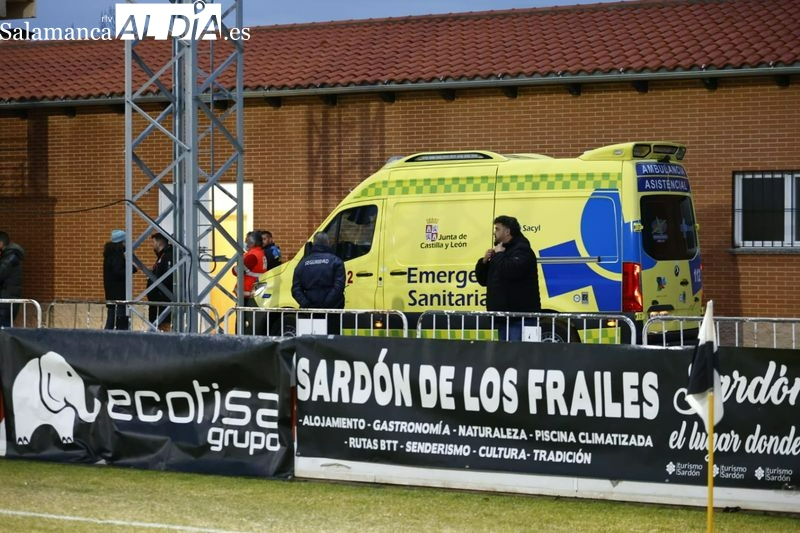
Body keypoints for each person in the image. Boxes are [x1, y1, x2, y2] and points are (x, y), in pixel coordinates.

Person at [474, 215, 541, 341]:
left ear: (507, 231)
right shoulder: (501, 251)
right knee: (506, 356)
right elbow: (483, 280)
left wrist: (499, 255)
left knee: (517, 355)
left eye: (497, 229)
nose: (494, 232)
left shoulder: (522, 250)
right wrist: (484, 262)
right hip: (503, 317)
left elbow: (511, 271)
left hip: (518, 317)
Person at [292, 232, 346, 334]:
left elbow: (295, 289)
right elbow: (339, 286)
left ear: (314, 243)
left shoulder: (302, 263)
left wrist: (307, 304)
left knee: (310, 341)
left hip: (309, 312)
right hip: (332, 311)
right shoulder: (335, 261)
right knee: (331, 341)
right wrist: (326, 304)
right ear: (328, 243)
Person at [237, 230, 268, 334]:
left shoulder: (252, 256)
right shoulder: (261, 253)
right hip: (255, 290)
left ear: (252, 242)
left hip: (247, 292)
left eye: (246, 240)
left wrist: (234, 268)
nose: (245, 242)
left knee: (243, 321)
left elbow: (237, 270)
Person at [103, 229, 131, 330]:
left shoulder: (110, 255)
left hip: (112, 295)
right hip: (118, 296)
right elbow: (118, 272)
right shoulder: (116, 256)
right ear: (122, 242)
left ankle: (105, 340)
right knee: (117, 321)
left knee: (112, 320)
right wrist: (131, 268)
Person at [147, 232, 174, 332]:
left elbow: (168, 277)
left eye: (153, 242)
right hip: (157, 303)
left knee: (163, 329)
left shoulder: (167, 256)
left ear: (159, 242)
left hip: (163, 302)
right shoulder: (161, 256)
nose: (152, 245)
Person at [0, 231, 25, 328]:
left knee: (4, 331)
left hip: (5, 303)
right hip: (5, 301)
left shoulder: (10, 257)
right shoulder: (7, 256)